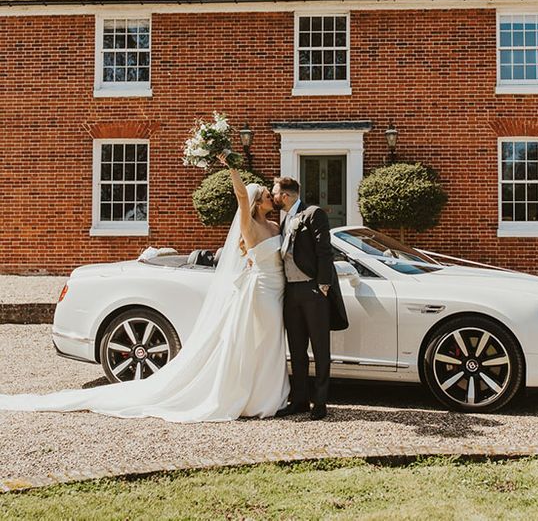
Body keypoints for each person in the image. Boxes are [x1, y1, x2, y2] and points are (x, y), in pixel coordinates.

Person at [0, 158, 290, 422]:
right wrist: (231, 169)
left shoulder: (276, 227)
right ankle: (256, 400)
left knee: (272, 343)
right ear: (255, 203)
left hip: (277, 287)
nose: (270, 198)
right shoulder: (249, 226)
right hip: (262, 291)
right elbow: (241, 196)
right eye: (266, 195)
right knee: (261, 343)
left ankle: (268, 394)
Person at [271, 176, 348, 421]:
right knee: (297, 349)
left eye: (275, 193)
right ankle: (300, 400)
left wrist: (323, 284)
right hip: (291, 293)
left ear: (286, 195)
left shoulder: (313, 214)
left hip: (313, 291)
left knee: (320, 348)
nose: (273, 198)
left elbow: (324, 249)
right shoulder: (284, 221)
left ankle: (321, 402)